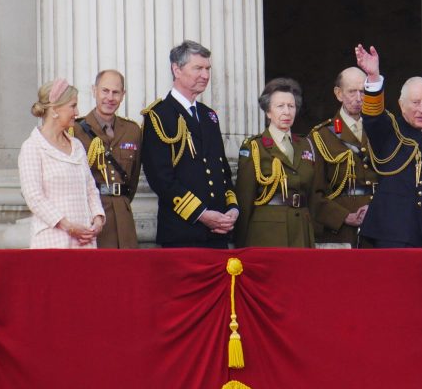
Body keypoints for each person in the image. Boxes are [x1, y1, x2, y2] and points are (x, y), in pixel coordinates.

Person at [141, 40, 239, 248]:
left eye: (207, 69)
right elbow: (160, 178)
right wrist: (201, 214)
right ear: (176, 70)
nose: (205, 75)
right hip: (182, 233)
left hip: (217, 233)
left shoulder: (208, 115)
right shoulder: (159, 115)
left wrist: (232, 208)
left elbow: (222, 172)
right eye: (198, 68)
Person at [354, 43, 422, 248]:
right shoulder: (391, 131)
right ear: (401, 105)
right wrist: (373, 78)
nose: (421, 109)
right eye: (415, 103)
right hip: (394, 236)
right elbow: (373, 118)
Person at [18, 78, 105, 248]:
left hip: (84, 241)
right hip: (53, 242)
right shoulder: (32, 147)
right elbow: (34, 197)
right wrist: (68, 226)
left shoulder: (77, 145)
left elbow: (90, 188)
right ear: (56, 109)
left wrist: (98, 218)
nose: (77, 112)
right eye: (73, 106)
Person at [235, 78, 318, 248]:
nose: (287, 112)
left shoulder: (306, 145)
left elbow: (312, 195)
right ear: (268, 112)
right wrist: (240, 245)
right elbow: (244, 198)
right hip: (268, 233)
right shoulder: (254, 146)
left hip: (301, 230)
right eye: (280, 106)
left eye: (291, 106)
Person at [71, 69, 142, 248]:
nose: (110, 98)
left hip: (123, 216)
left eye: (116, 92)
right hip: (91, 217)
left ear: (123, 95)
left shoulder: (132, 131)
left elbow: (132, 180)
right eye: (105, 91)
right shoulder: (75, 130)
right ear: (94, 90)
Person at [308, 67, 378, 247]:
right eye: (352, 91)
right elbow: (313, 193)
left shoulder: (380, 131)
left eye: (363, 91)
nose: (359, 98)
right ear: (339, 94)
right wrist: (344, 216)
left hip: (378, 225)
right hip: (340, 231)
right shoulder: (321, 136)